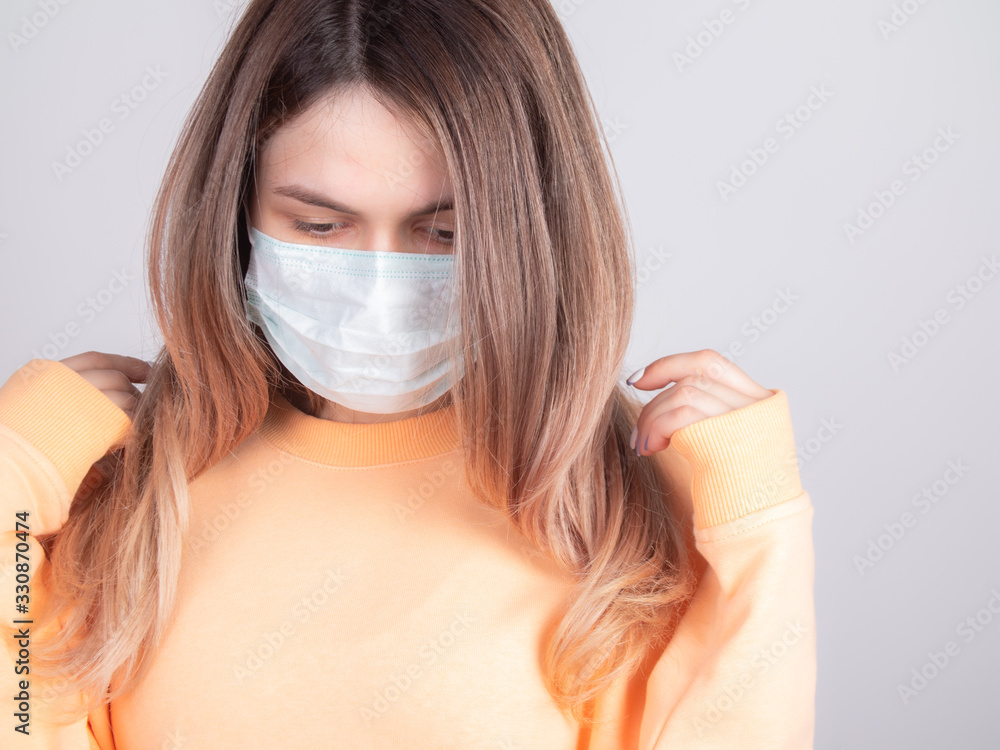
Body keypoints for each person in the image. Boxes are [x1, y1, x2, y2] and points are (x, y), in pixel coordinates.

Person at [0, 0, 816, 747]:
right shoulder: (125, 494)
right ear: (238, 210)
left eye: (443, 234)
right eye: (319, 225)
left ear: (531, 230)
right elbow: (23, 716)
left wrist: (760, 529)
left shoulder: (619, 514)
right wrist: (10, 476)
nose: (378, 291)